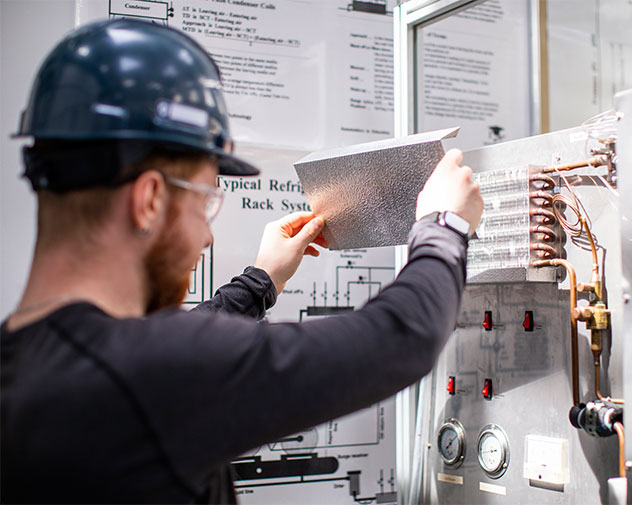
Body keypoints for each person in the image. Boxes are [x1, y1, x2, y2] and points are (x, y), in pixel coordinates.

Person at [0, 18, 483, 504]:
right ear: (149, 199)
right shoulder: (154, 371)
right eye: (206, 200)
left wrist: (260, 281)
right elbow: (400, 339)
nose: (206, 237)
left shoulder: (28, 369)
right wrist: (444, 227)